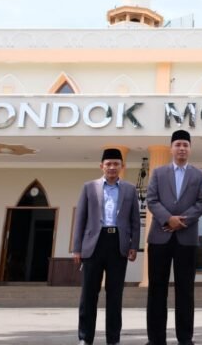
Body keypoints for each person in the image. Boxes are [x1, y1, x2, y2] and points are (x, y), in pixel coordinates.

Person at [145, 130, 202, 345]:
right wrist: (168, 219)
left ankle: (185, 339)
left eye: (185, 145)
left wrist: (182, 220)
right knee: (157, 289)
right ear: (171, 148)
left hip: (187, 238)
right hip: (160, 237)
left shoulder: (199, 175)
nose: (182, 148)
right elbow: (152, 200)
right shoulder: (158, 172)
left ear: (190, 149)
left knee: (185, 290)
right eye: (178, 144)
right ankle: (156, 339)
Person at [72, 147, 140, 345]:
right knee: (88, 294)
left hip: (118, 244)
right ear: (101, 166)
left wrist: (134, 245)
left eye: (116, 164)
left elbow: (135, 220)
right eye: (108, 164)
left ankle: (113, 339)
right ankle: (85, 338)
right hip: (93, 244)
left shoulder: (129, 189)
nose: (112, 167)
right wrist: (77, 248)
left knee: (115, 294)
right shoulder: (89, 187)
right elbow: (80, 219)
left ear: (122, 166)